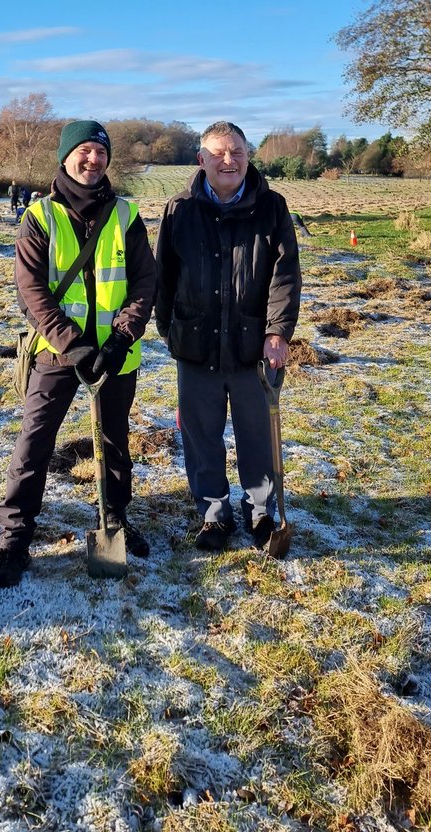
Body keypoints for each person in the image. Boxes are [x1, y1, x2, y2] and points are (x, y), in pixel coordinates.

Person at [0, 119, 157, 588]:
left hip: (116, 354)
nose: (93, 159)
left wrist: (122, 336)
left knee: (115, 442)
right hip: (57, 355)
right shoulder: (39, 217)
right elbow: (32, 292)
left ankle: (115, 518)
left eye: (101, 152)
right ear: (65, 157)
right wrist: (75, 346)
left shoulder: (126, 214)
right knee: (34, 445)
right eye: (83, 151)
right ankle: (14, 540)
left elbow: (146, 281)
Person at [155, 120, 301, 553]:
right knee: (201, 435)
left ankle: (260, 511)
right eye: (218, 152)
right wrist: (171, 330)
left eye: (237, 151)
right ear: (201, 160)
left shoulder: (272, 207)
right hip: (195, 347)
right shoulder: (178, 208)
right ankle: (213, 514)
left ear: (248, 156)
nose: (228, 160)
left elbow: (285, 276)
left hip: (252, 349)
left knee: (258, 433)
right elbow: (163, 276)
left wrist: (277, 331)